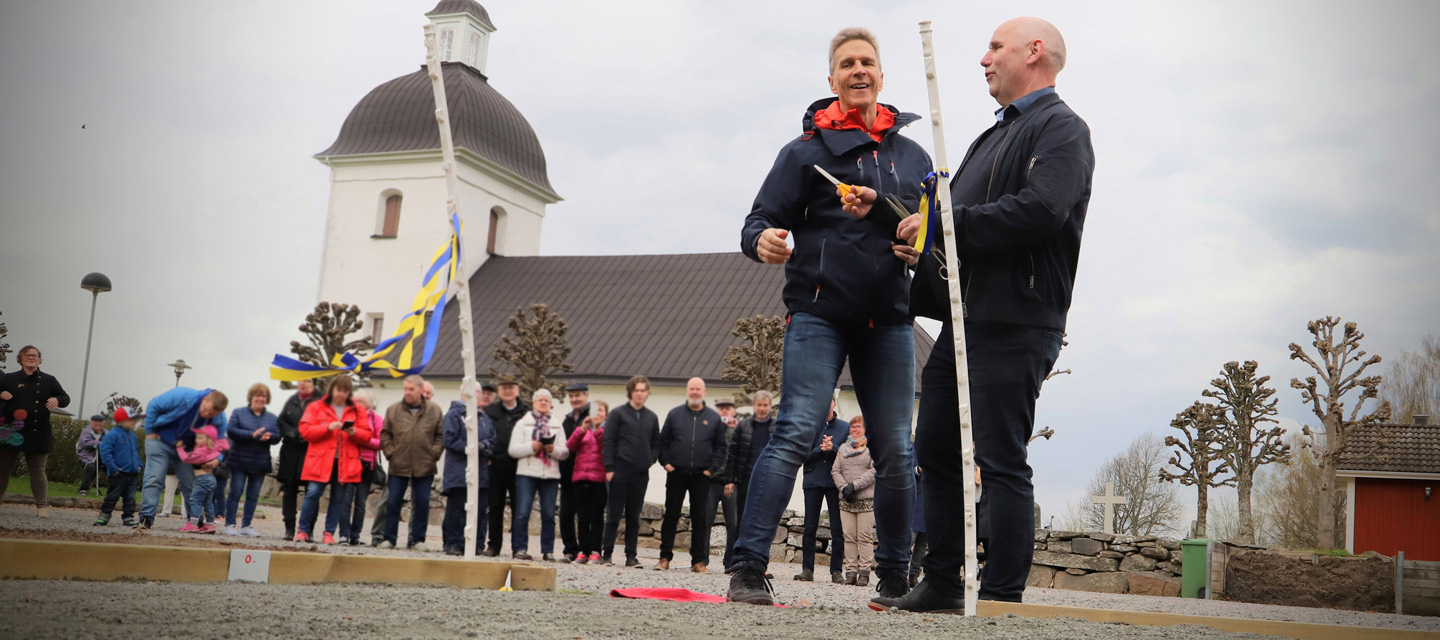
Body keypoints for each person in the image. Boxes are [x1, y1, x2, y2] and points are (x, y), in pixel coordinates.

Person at [875, 17, 1093, 613]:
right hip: (965, 320)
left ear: (1035, 52)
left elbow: (1042, 209)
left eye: (996, 47)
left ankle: (1000, 595)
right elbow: (963, 230)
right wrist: (928, 244)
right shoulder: (988, 138)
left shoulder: (1062, 129)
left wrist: (948, 223)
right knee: (935, 446)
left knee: (998, 458)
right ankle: (945, 581)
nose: (984, 58)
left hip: (1017, 319)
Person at [731, 27, 930, 605]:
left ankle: (894, 575)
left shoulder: (914, 156)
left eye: (867, 62)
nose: (858, 70)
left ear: (881, 76)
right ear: (832, 79)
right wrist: (762, 240)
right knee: (794, 430)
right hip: (818, 312)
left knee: (897, 449)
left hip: (889, 318)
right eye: (847, 64)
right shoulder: (803, 152)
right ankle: (748, 568)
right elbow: (757, 220)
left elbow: (936, 235)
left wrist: (924, 236)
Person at [656, 377, 728, 572]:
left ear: (704, 392)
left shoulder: (713, 418)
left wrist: (710, 469)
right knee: (671, 515)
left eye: (698, 389)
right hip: (676, 473)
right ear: (687, 391)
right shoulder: (675, 414)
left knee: (700, 518)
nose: (695, 392)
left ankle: (698, 561)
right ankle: (664, 558)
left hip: (701, 476)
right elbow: (663, 442)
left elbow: (720, 447)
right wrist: (666, 464)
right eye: (692, 389)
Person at [294, 375, 372, 544]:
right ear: (332, 389)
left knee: (338, 499)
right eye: (339, 390)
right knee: (312, 493)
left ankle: (328, 533)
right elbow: (305, 431)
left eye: (345, 391)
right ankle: (302, 531)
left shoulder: (358, 409)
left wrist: (354, 432)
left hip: (345, 462)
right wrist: (327, 428)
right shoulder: (316, 406)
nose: (341, 394)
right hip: (320, 461)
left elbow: (367, 435)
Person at [137, 386, 228, 529]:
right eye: (206, 410)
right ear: (205, 400)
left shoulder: (220, 418)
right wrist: (150, 431)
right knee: (154, 477)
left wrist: (217, 459)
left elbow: (220, 442)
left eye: (211, 414)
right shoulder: (183, 395)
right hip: (160, 441)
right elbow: (155, 405)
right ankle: (146, 517)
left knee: (190, 484)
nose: (206, 415)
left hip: (185, 449)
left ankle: (195, 520)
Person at [0, 345, 70, 518]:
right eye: (27, 355)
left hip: (39, 431)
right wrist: (0, 393)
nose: (31, 358)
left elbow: (65, 398)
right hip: (11, 431)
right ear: (21, 359)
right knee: (2, 470)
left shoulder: (49, 380)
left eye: (35, 355)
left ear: (39, 359)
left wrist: (57, 400)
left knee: (38, 471)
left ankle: (42, 507)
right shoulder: (8, 378)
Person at [601, 375, 660, 568]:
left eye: (643, 390)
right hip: (619, 471)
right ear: (630, 392)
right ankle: (606, 554)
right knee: (613, 515)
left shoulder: (651, 417)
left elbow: (656, 444)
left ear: (647, 393)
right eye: (637, 390)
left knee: (634, 517)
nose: (640, 394)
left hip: (640, 474)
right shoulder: (617, 414)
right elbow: (608, 441)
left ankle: (631, 556)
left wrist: (650, 460)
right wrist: (609, 467)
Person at [381, 375, 444, 550]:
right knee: (393, 502)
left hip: (425, 465)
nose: (407, 392)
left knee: (422, 503)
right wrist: (391, 453)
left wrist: (434, 453)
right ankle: (389, 539)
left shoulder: (435, 410)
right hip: (398, 464)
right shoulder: (393, 410)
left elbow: (440, 436)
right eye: (405, 389)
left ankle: (417, 540)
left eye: (411, 389)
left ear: (420, 390)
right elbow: (385, 434)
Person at [507, 388, 569, 561]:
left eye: (546, 400)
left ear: (550, 404)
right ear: (533, 403)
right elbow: (513, 450)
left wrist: (552, 449)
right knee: (522, 512)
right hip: (527, 473)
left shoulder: (557, 424)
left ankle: (548, 551)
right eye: (540, 399)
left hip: (550, 474)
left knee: (549, 514)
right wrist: (531, 447)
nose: (543, 402)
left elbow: (565, 452)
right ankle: (520, 549)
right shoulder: (523, 423)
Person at [797, 397, 848, 583]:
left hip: (835, 483)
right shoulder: (809, 427)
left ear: (834, 403)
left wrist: (833, 448)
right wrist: (820, 449)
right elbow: (801, 455)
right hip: (813, 481)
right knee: (810, 526)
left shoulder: (845, 428)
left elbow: (849, 455)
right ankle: (807, 570)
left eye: (829, 401)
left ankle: (836, 571)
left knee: (837, 529)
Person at [440, 389, 496, 556]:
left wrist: (484, 446)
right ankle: (453, 543)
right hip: (458, 469)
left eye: (478, 392)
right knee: (457, 507)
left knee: (480, 509)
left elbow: (493, 439)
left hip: (481, 471)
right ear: (463, 393)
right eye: (472, 391)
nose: (475, 394)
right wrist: (470, 447)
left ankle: (477, 543)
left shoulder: (483, 417)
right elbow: (449, 440)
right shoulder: (454, 415)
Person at [225, 383, 280, 537]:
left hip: (260, 462)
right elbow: (231, 431)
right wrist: (252, 435)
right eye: (257, 395)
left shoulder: (272, 418)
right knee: (235, 493)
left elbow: (278, 436)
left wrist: (270, 437)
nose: (260, 399)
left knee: (253, 495)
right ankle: (230, 524)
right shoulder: (238, 413)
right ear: (251, 397)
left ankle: (246, 526)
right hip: (239, 460)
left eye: (263, 396)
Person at [722, 391, 774, 550]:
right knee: (742, 520)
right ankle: (734, 558)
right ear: (754, 406)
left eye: (765, 405)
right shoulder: (743, 426)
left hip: (768, 481)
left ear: (770, 406)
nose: (762, 408)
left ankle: (759, 558)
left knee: (764, 522)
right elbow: (732, 454)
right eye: (759, 405)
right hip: (746, 479)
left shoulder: (777, 427)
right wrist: (729, 480)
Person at [483, 378, 529, 556]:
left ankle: (518, 548)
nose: (508, 391)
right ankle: (494, 545)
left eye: (511, 387)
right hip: (495, 466)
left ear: (517, 390)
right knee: (495, 508)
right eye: (504, 388)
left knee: (519, 509)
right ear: (499, 391)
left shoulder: (526, 412)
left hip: (519, 467)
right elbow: (484, 435)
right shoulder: (490, 411)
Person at [832, 416, 875, 586]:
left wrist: (854, 486)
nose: (854, 430)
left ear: (865, 429)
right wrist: (844, 488)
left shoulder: (871, 449)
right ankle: (850, 572)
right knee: (849, 537)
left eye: (858, 427)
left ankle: (864, 573)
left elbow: (874, 470)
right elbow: (835, 470)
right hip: (846, 500)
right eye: (852, 427)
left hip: (866, 500)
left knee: (864, 537)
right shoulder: (843, 448)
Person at [277, 379, 321, 540]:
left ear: (313, 383)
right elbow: (281, 421)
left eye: (307, 381)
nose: (303, 383)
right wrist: (290, 432)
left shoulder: (321, 400)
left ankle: (308, 529)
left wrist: (302, 433)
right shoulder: (292, 400)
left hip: (311, 451)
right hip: (291, 451)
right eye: (301, 380)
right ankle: (289, 528)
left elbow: (323, 423)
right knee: (289, 491)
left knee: (312, 492)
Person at [565, 399, 607, 564]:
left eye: (601, 410)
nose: (597, 413)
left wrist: (597, 430)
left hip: (599, 479)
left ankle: (596, 551)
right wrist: (582, 429)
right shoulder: (582, 430)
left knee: (596, 516)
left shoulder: (607, 431)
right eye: (595, 410)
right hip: (580, 478)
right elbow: (571, 446)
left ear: (606, 415)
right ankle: (583, 550)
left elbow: (605, 447)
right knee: (582, 517)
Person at [703, 397, 740, 570]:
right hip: (710, 481)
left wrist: (731, 479)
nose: (724, 410)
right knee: (705, 521)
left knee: (733, 523)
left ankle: (730, 562)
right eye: (721, 408)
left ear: (734, 410)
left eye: (728, 408)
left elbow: (738, 456)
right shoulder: (709, 428)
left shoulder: (740, 429)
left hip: (730, 482)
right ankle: (701, 560)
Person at [343, 390, 383, 546]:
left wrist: (361, 438)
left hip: (367, 465)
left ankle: (355, 535)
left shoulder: (376, 419)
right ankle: (344, 534)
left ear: (369, 403)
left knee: (360, 503)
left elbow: (381, 443)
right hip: (349, 462)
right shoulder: (348, 417)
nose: (357, 404)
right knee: (345, 501)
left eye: (360, 401)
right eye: (355, 400)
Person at [175, 425, 230, 534]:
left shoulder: (201, 451)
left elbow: (186, 458)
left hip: (202, 479)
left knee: (195, 500)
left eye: (200, 438)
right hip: (211, 479)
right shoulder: (213, 450)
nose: (197, 440)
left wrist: (179, 448)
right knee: (208, 502)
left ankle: (193, 524)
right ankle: (209, 524)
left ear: (209, 440)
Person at [557, 382, 590, 562]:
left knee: (586, 516)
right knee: (565, 515)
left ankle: (587, 551)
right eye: (571, 396)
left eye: (578, 395)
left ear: (586, 395)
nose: (574, 399)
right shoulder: (567, 420)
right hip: (568, 474)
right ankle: (570, 550)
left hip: (586, 474)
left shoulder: (593, 416)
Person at [94, 407, 143, 527]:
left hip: (132, 474)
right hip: (118, 473)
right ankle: (104, 517)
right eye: (132, 419)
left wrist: (139, 465)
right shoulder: (112, 435)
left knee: (130, 499)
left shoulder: (133, 436)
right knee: (112, 497)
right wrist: (113, 468)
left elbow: (135, 453)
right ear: (122, 420)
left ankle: (128, 517)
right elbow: (105, 451)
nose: (135, 422)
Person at [77, 415, 107, 496]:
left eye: (100, 422)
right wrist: (99, 443)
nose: (98, 424)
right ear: (92, 422)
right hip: (87, 457)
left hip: (102, 457)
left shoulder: (106, 432)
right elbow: (85, 443)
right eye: (96, 422)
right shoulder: (86, 432)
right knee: (91, 467)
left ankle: (116, 490)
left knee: (113, 468)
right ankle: (83, 489)